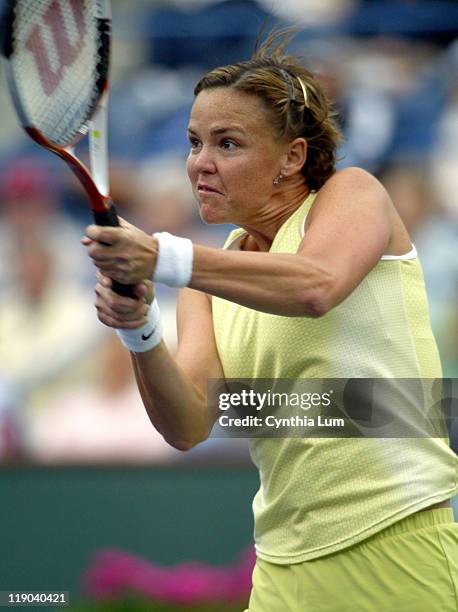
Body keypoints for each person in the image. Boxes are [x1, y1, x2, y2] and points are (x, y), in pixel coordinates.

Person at [83, 32, 458, 612]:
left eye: (227, 143)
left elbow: (316, 285)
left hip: (396, 540)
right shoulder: (206, 286)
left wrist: (165, 258)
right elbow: (186, 425)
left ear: (293, 157)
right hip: (280, 566)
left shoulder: (353, 193)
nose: (200, 164)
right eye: (193, 142)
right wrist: (140, 330)